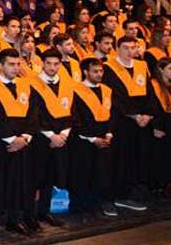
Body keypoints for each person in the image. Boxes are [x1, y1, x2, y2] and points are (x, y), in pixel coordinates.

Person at [0, 48, 38, 236]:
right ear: (0, 65)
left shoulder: (26, 86)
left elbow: (34, 114)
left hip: (22, 146)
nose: (15, 67)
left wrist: (25, 137)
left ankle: (14, 220)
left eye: (18, 64)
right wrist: (12, 139)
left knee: (19, 184)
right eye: (11, 64)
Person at [102, 35, 151, 212]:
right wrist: (133, 115)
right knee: (116, 161)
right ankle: (109, 198)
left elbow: (149, 92)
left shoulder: (141, 66)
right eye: (126, 48)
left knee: (133, 160)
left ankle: (126, 195)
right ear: (118, 48)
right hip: (119, 122)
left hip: (139, 123)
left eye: (133, 48)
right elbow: (113, 97)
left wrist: (147, 114)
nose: (131, 51)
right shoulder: (108, 68)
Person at [28, 49, 74, 227]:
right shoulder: (33, 84)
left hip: (61, 138)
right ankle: (30, 214)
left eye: (56, 64)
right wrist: (51, 135)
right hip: (41, 139)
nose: (52, 67)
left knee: (51, 176)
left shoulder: (67, 84)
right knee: (36, 177)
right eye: (49, 63)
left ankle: (44, 211)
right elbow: (34, 115)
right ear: (43, 63)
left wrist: (63, 135)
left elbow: (72, 111)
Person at [67, 57, 114, 220]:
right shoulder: (75, 90)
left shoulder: (107, 90)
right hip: (84, 142)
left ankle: (94, 206)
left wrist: (108, 133)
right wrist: (93, 138)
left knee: (100, 174)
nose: (99, 74)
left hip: (104, 139)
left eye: (101, 71)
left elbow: (110, 114)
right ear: (86, 72)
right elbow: (75, 119)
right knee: (82, 175)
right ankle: (79, 208)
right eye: (95, 71)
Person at [147, 57, 171, 197]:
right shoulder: (153, 84)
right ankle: (159, 186)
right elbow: (152, 106)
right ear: (161, 69)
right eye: (170, 68)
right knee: (160, 157)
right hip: (161, 125)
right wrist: (155, 126)